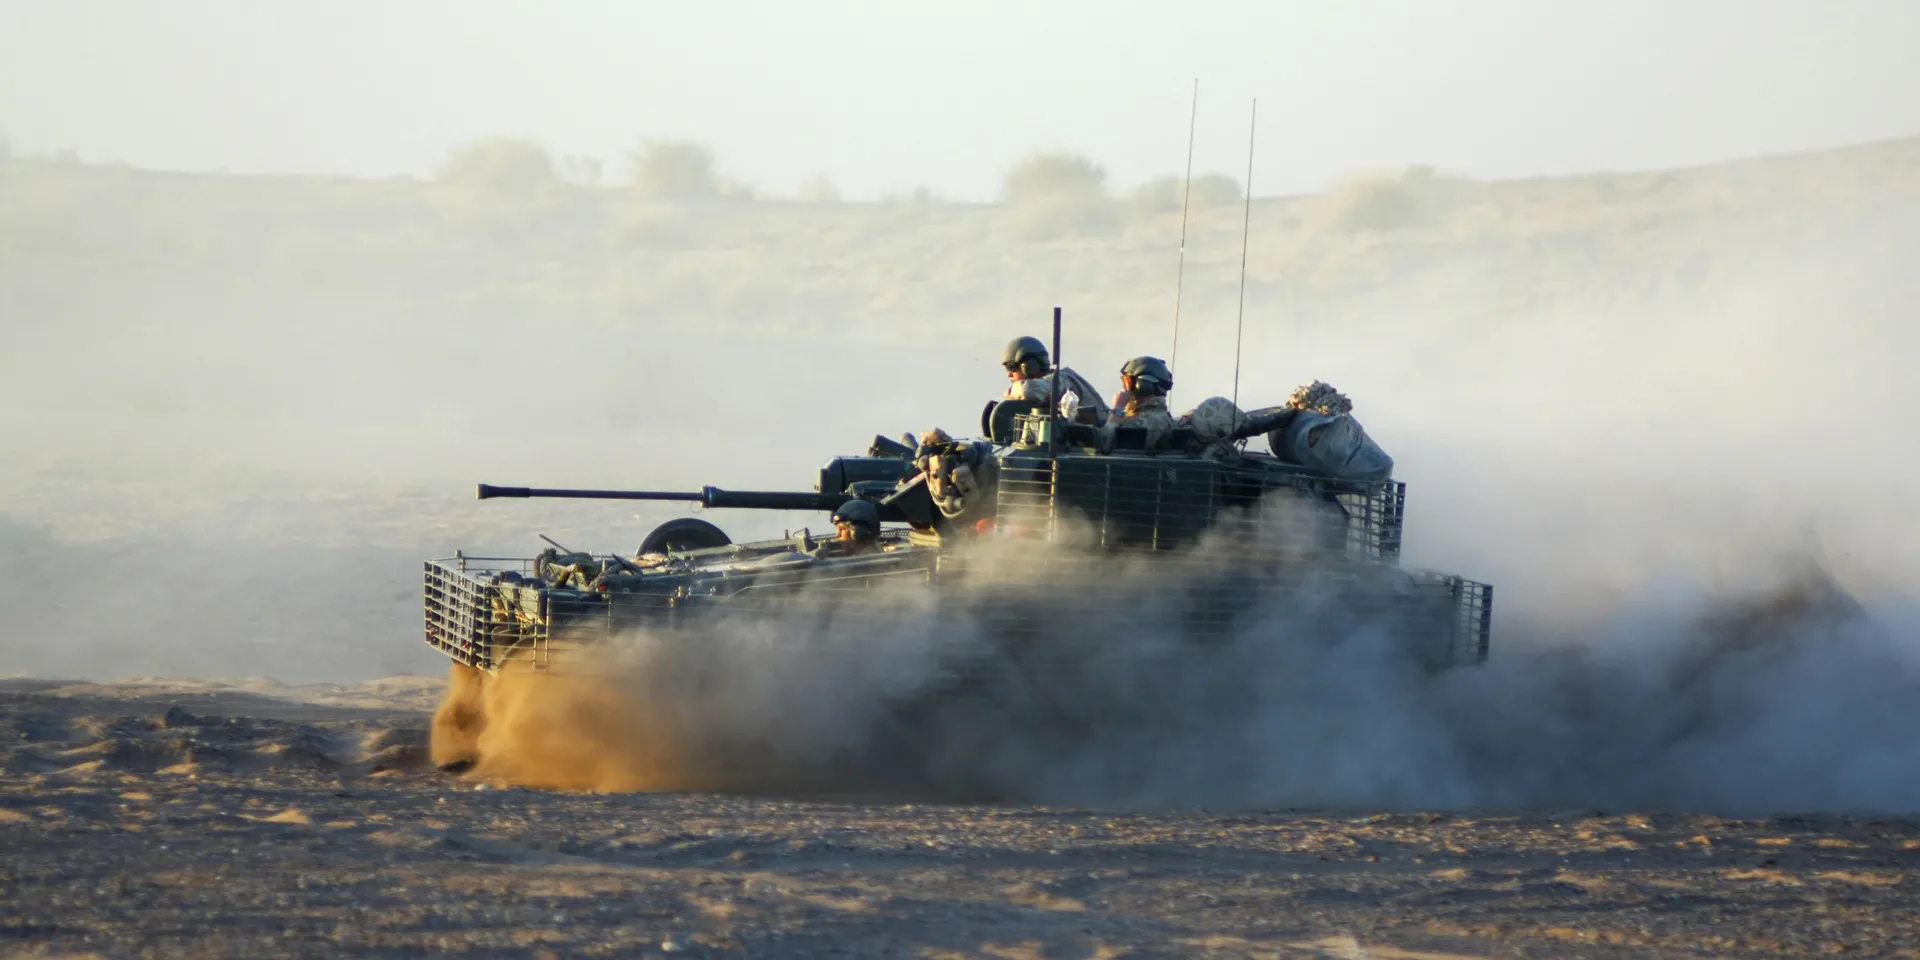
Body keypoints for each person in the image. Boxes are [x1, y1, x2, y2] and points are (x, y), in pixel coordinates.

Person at [998, 336, 1110, 425]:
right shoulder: (1050, 384)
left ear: (1028, 366)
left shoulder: (1062, 380)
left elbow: (1026, 390)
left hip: (1101, 443)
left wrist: (1009, 393)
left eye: (1010, 367)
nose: (1009, 374)